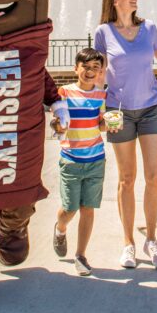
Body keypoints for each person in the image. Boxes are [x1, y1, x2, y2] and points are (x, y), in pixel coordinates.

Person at [93, 0, 157, 270]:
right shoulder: (103, 32)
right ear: (115, 0)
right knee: (126, 179)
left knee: (154, 177)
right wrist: (91, 105)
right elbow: (99, 74)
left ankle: (151, 239)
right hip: (117, 111)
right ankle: (128, 243)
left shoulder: (149, 28)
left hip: (152, 107)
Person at [51, 48, 108, 276]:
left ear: (101, 71)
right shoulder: (64, 92)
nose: (90, 71)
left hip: (96, 159)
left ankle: (81, 255)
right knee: (70, 208)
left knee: (88, 209)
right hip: (71, 161)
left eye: (96, 67)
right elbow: (56, 124)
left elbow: (101, 124)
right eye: (86, 67)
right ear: (76, 68)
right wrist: (58, 126)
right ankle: (60, 228)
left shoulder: (101, 96)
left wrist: (111, 124)